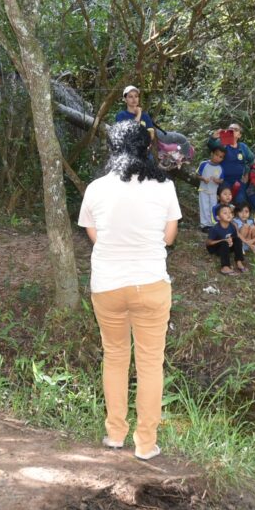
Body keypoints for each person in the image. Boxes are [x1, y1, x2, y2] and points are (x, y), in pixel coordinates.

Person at [77, 120, 181, 462]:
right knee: (151, 364)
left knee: (116, 358)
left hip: (107, 286)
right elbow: (168, 239)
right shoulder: (164, 187)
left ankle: (115, 434)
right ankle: (146, 444)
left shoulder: (95, 188)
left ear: (113, 148)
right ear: (145, 148)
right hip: (151, 284)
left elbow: (94, 237)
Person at [205, 123, 254, 205]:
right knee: (224, 202)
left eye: (236, 129)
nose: (232, 130)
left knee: (240, 201)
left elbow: (251, 160)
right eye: (230, 128)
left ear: (239, 135)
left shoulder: (243, 147)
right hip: (224, 180)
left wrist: (246, 173)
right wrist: (213, 138)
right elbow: (211, 145)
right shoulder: (222, 144)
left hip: (239, 180)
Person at [206, 203, 246, 275]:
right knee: (224, 243)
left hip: (227, 247)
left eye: (230, 212)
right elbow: (208, 243)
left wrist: (231, 240)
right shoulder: (215, 229)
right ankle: (225, 267)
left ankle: (239, 262)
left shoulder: (232, 226)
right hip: (215, 248)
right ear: (218, 217)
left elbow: (234, 237)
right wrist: (223, 240)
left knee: (237, 239)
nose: (229, 215)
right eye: (225, 213)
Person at [196, 146, 226, 231]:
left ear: (222, 159)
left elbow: (221, 180)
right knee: (204, 207)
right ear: (212, 154)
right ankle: (204, 225)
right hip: (203, 190)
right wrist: (203, 179)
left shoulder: (220, 168)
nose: (218, 158)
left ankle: (213, 224)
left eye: (220, 157)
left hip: (213, 191)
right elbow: (197, 175)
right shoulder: (204, 164)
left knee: (213, 207)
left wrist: (217, 181)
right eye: (216, 155)